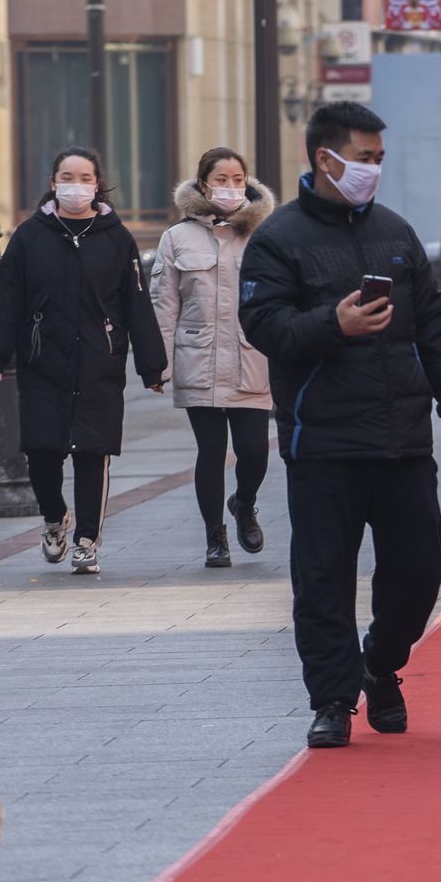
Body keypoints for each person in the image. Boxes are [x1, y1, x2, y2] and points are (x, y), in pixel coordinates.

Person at [238, 102, 441, 750]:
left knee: (419, 570)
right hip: (321, 442)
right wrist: (331, 326)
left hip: (401, 437)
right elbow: (263, 326)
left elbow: (431, 321)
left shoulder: (397, 235)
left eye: (378, 159)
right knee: (322, 579)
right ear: (326, 159)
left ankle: (380, 662)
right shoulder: (276, 240)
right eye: (364, 158)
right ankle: (333, 699)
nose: (374, 169)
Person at [0, 147, 168, 576]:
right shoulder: (30, 236)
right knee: (42, 451)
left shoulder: (117, 238)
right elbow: (7, 296)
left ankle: (86, 540)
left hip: (98, 362)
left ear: (97, 184)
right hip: (42, 360)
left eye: (85, 177)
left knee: (93, 452)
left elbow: (136, 304)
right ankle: (54, 518)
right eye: (68, 176)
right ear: (52, 183)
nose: (76, 185)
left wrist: (152, 367)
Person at [152, 147, 278, 569]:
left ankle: (244, 503)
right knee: (210, 451)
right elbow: (164, 304)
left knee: (254, 451)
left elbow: (282, 299)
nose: (229, 187)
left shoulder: (265, 234)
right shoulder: (177, 238)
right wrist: (159, 364)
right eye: (221, 179)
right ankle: (215, 538)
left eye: (237, 179)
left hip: (251, 358)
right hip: (198, 358)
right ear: (203, 183)